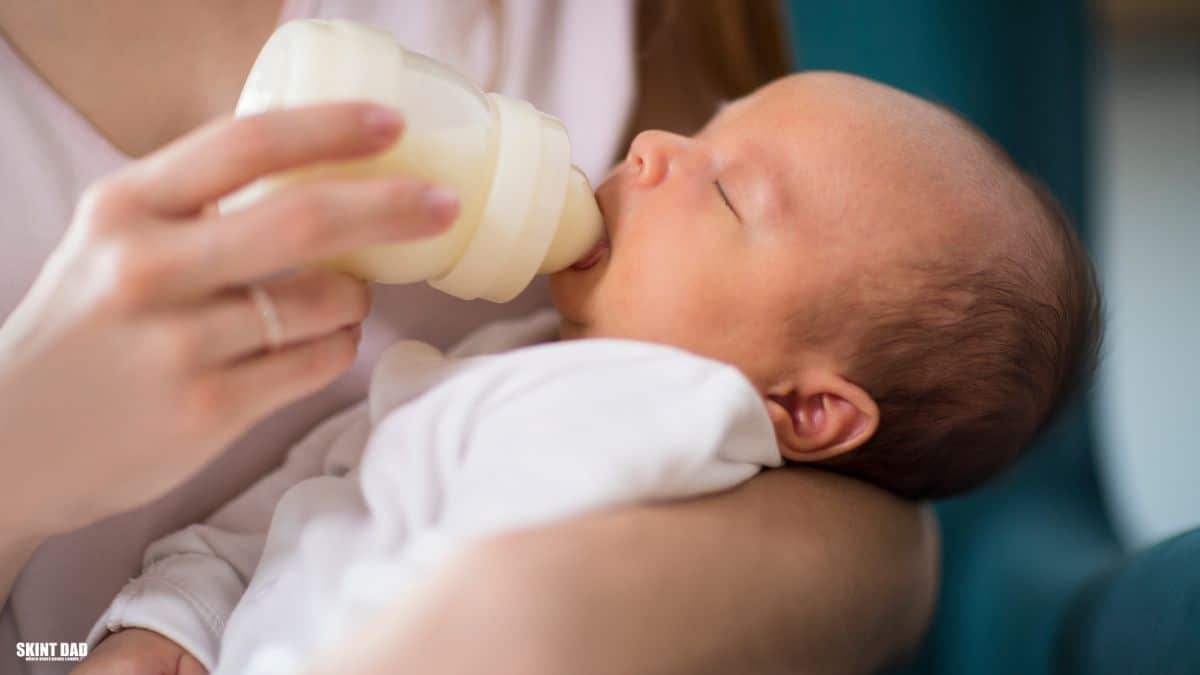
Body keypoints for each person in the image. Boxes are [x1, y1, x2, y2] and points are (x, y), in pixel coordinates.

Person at [0, 3, 938, 674]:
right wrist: (173, 622)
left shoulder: (699, 421)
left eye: (727, 189)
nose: (655, 144)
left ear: (811, 409)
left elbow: (876, 521)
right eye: (706, 133)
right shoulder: (463, 379)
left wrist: (524, 620)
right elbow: (292, 511)